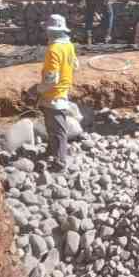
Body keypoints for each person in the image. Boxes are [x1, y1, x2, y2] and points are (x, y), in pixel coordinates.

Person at [36, 14, 79, 171]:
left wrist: (37, 89)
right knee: (52, 126)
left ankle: (60, 162)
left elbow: (51, 80)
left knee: (58, 129)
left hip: (53, 96)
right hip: (63, 91)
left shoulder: (53, 50)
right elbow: (75, 65)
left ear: (52, 31)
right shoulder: (69, 46)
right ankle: (51, 150)